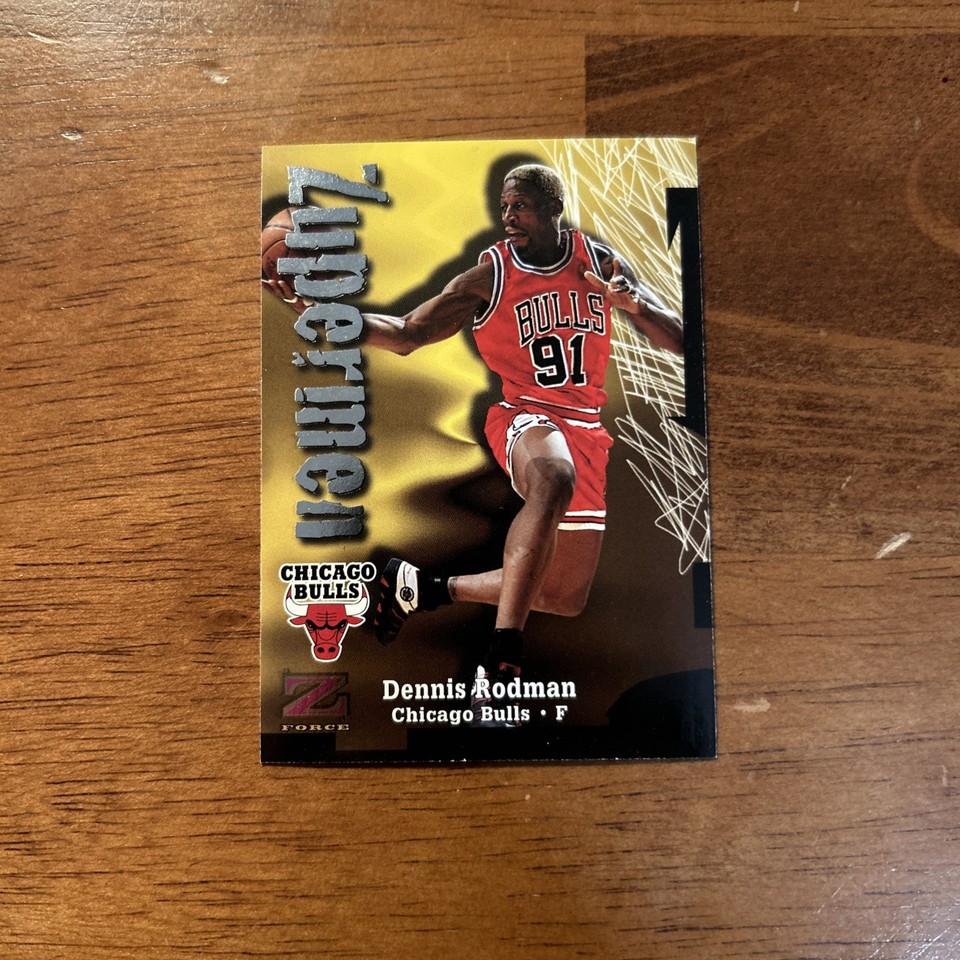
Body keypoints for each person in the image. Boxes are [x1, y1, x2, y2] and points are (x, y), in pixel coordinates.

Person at [359, 164, 683, 693]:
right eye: (505, 207)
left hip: (586, 428)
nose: (509, 217)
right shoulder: (491, 274)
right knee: (554, 476)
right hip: (526, 416)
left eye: (522, 207)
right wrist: (339, 319)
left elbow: (683, 339)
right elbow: (409, 332)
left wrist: (635, 305)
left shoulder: (599, 262)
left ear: (554, 210)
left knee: (562, 596)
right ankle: (502, 653)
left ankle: (424, 587)